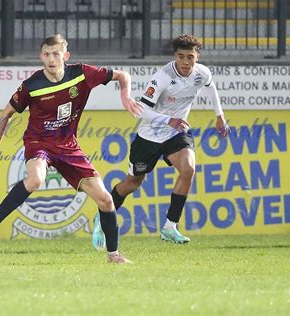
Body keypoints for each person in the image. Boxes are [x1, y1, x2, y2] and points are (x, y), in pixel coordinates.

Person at [0, 34, 141, 264]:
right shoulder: (32, 85)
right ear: (41, 56)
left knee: (106, 201)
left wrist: (125, 95)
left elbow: (123, 75)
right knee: (35, 180)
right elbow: (6, 115)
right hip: (38, 142)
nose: (51, 59)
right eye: (46, 54)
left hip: (68, 146)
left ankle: (113, 256)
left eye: (56, 53)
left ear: (66, 55)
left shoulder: (81, 74)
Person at [92, 34, 230, 248]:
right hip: (149, 136)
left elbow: (211, 87)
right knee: (133, 183)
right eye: (181, 56)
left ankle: (170, 227)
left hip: (176, 133)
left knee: (188, 169)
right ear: (175, 56)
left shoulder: (202, 73)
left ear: (197, 56)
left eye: (190, 57)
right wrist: (168, 120)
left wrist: (219, 115)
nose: (186, 62)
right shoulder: (162, 77)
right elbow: (141, 110)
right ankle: (103, 215)